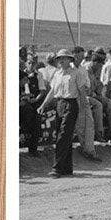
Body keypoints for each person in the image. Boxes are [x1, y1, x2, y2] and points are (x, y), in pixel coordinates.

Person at [37, 49, 80, 177]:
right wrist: (43, 104)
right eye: (59, 58)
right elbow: (52, 91)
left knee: (63, 136)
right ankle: (67, 167)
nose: (61, 60)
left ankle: (57, 168)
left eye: (64, 58)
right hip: (59, 104)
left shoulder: (75, 73)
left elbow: (82, 91)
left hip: (71, 104)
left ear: (70, 60)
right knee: (63, 136)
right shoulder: (57, 74)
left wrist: (83, 108)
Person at [71, 46, 102, 163]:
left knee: (89, 124)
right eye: (78, 56)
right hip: (73, 99)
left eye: (81, 57)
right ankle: (85, 150)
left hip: (84, 98)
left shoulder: (83, 69)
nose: (80, 59)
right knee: (79, 126)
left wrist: (87, 90)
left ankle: (90, 151)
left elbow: (88, 84)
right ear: (73, 55)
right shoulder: (69, 69)